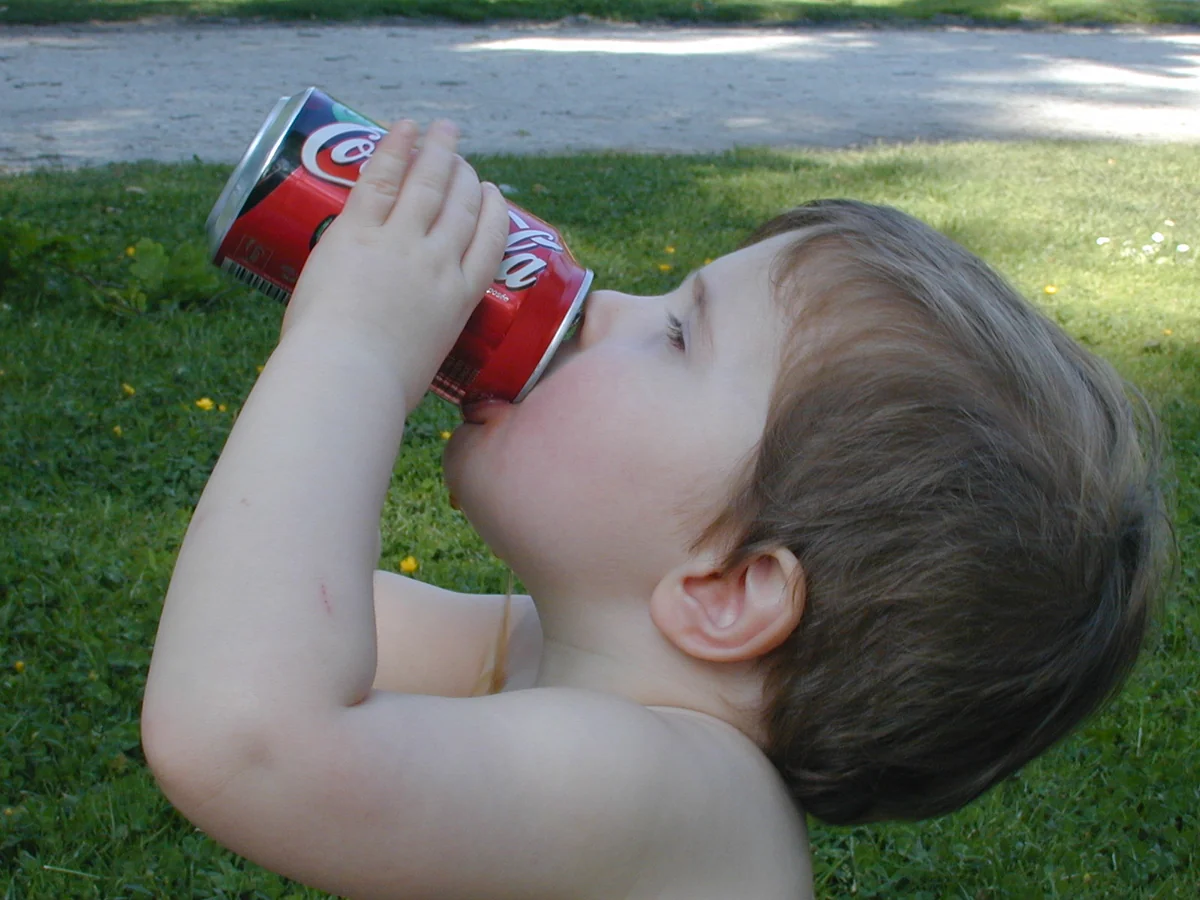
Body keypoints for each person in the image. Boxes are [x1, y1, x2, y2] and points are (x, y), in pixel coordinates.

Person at [141, 119, 1170, 899]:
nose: (604, 308)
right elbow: (262, 612)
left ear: (728, 589)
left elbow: (248, 735)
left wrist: (354, 350)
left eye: (677, 335)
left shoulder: (673, 793)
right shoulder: (563, 659)